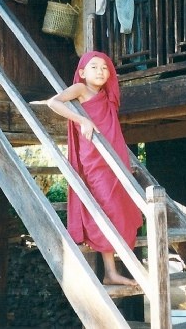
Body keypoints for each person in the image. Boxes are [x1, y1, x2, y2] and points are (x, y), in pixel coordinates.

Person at [46, 51, 142, 286]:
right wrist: (83, 120)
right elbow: (53, 102)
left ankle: (112, 272)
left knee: (119, 208)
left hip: (114, 158)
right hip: (95, 160)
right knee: (107, 208)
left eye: (105, 68)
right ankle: (116, 270)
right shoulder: (81, 90)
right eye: (94, 67)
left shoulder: (106, 95)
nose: (100, 71)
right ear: (82, 73)